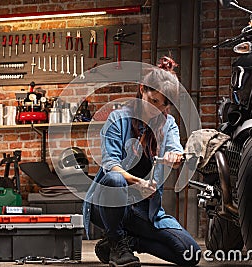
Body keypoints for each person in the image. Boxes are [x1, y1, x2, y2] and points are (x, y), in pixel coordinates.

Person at [82, 56, 201, 267]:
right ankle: (118, 242)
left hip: (145, 209)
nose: (156, 110)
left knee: (190, 253)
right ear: (141, 90)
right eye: (152, 101)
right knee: (115, 179)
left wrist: (175, 157)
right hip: (109, 204)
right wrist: (138, 182)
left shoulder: (168, 124)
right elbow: (111, 165)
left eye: (162, 106)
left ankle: (128, 241)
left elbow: (175, 149)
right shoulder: (118, 119)